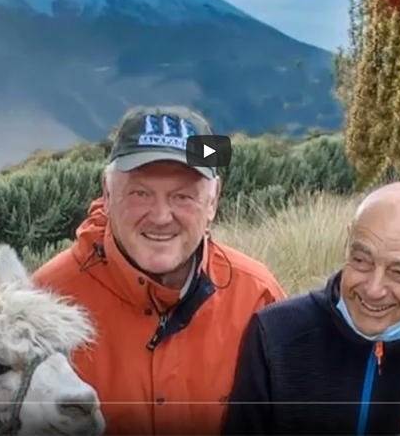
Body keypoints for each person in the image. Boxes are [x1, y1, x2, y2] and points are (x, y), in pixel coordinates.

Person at [32, 106, 286, 436]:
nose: (162, 215)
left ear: (213, 202)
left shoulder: (257, 297)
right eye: (140, 193)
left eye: (183, 196)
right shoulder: (45, 302)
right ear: (107, 194)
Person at [222, 180, 400, 436]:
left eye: (399, 273)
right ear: (347, 242)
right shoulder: (275, 334)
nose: (373, 290)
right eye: (361, 260)